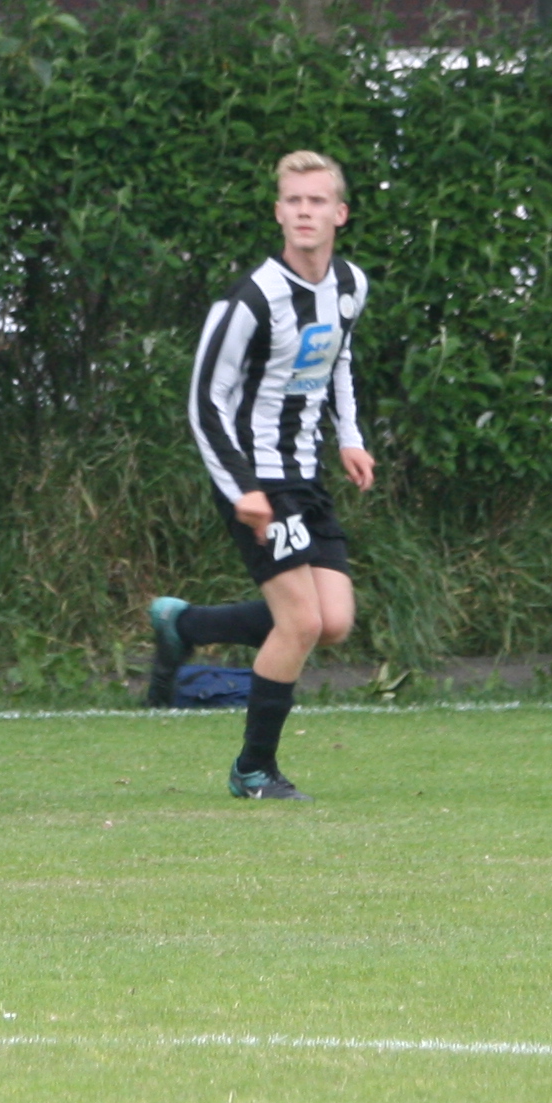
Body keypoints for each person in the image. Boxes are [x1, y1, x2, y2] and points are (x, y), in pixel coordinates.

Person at [149, 150, 375, 800]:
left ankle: (185, 627)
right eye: (293, 201)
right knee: (300, 623)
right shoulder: (250, 299)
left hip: (307, 476)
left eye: (317, 201)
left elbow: (339, 357)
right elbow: (205, 402)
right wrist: (240, 487)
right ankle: (253, 769)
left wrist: (350, 437)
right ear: (279, 212)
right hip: (256, 479)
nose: (305, 212)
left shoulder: (350, 285)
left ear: (339, 213)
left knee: (333, 622)